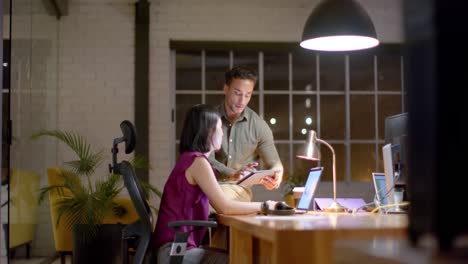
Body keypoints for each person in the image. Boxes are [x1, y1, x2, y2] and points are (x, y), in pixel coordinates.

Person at [152, 104, 277, 264]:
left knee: (242, 257)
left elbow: (215, 192)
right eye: (219, 127)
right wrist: (265, 206)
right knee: (242, 260)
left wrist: (241, 178)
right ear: (208, 131)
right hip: (174, 251)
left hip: (175, 248)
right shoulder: (197, 162)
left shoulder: (190, 159)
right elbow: (224, 207)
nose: (222, 132)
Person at [209, 65, 284, 201]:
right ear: (225, 89)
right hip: (208, 186)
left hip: (238, 190)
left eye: (247, 95)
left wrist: (275, 175)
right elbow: (207, 160)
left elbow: (275, 163)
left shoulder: (259, 126)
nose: (242, 100)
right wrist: (234, 173)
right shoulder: (208, 120)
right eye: (237, 93)